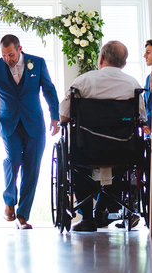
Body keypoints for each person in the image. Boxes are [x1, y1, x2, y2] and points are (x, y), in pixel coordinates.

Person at [0, 34, 59, 229]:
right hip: (9, 123)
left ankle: (23, 216)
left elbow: (49, 90)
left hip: (34, 124)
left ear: (20, 49)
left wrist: (55, 116)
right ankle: (9, 200)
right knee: (14, 160)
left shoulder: (38, 63)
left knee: (32, 168)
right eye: (4, 55)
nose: (8, 59)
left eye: (11, 55)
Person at [60, 41, 144, 232]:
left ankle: (88, 218)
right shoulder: (133, 84)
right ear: (123, 63)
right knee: (123, 167)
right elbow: (142, 119)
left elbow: (64, 116)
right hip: (123, 149)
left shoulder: (82, 82)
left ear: (101, 59)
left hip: (87, 149)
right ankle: (104, 209)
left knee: (78, 168)